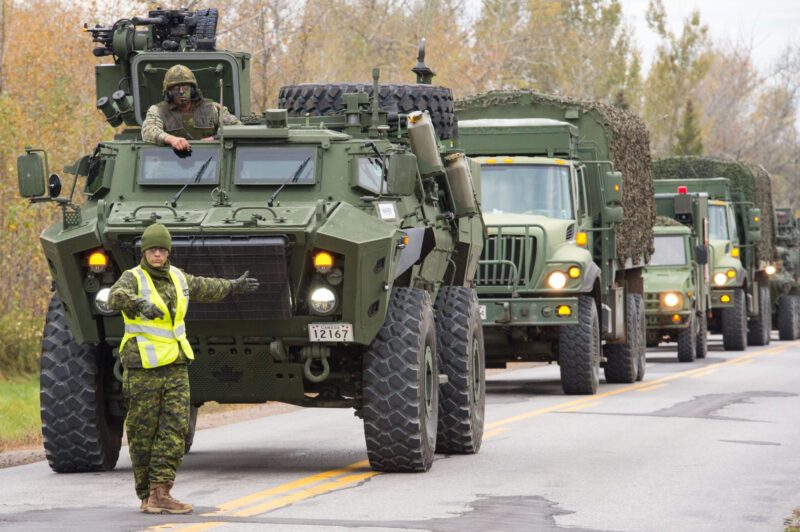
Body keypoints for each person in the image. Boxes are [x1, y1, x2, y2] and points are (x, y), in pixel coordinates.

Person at [107, 223, 258, 514]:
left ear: (168, 252)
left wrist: (233, 286)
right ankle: (145, 494)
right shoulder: (133, 278)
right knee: (142, 433)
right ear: (144, 251)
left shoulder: (177, 277)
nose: (157, 254)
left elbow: (205, 286)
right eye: (152, 249)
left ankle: (161, 491)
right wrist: (139, 304)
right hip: (144, 367)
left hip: (175, 364)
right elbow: (115, 296)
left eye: (162, 249)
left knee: (175, 430)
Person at [141, 64, 241, 152]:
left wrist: (213, 139)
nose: (181, 91)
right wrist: (171, 139)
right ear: (169, 92)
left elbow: (237, 129)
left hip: (210, 162)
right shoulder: (158, 110)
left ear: (193, 90)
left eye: (185, 86)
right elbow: (148, 130)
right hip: (169, 163)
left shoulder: (213, 109)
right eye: (176, 87)